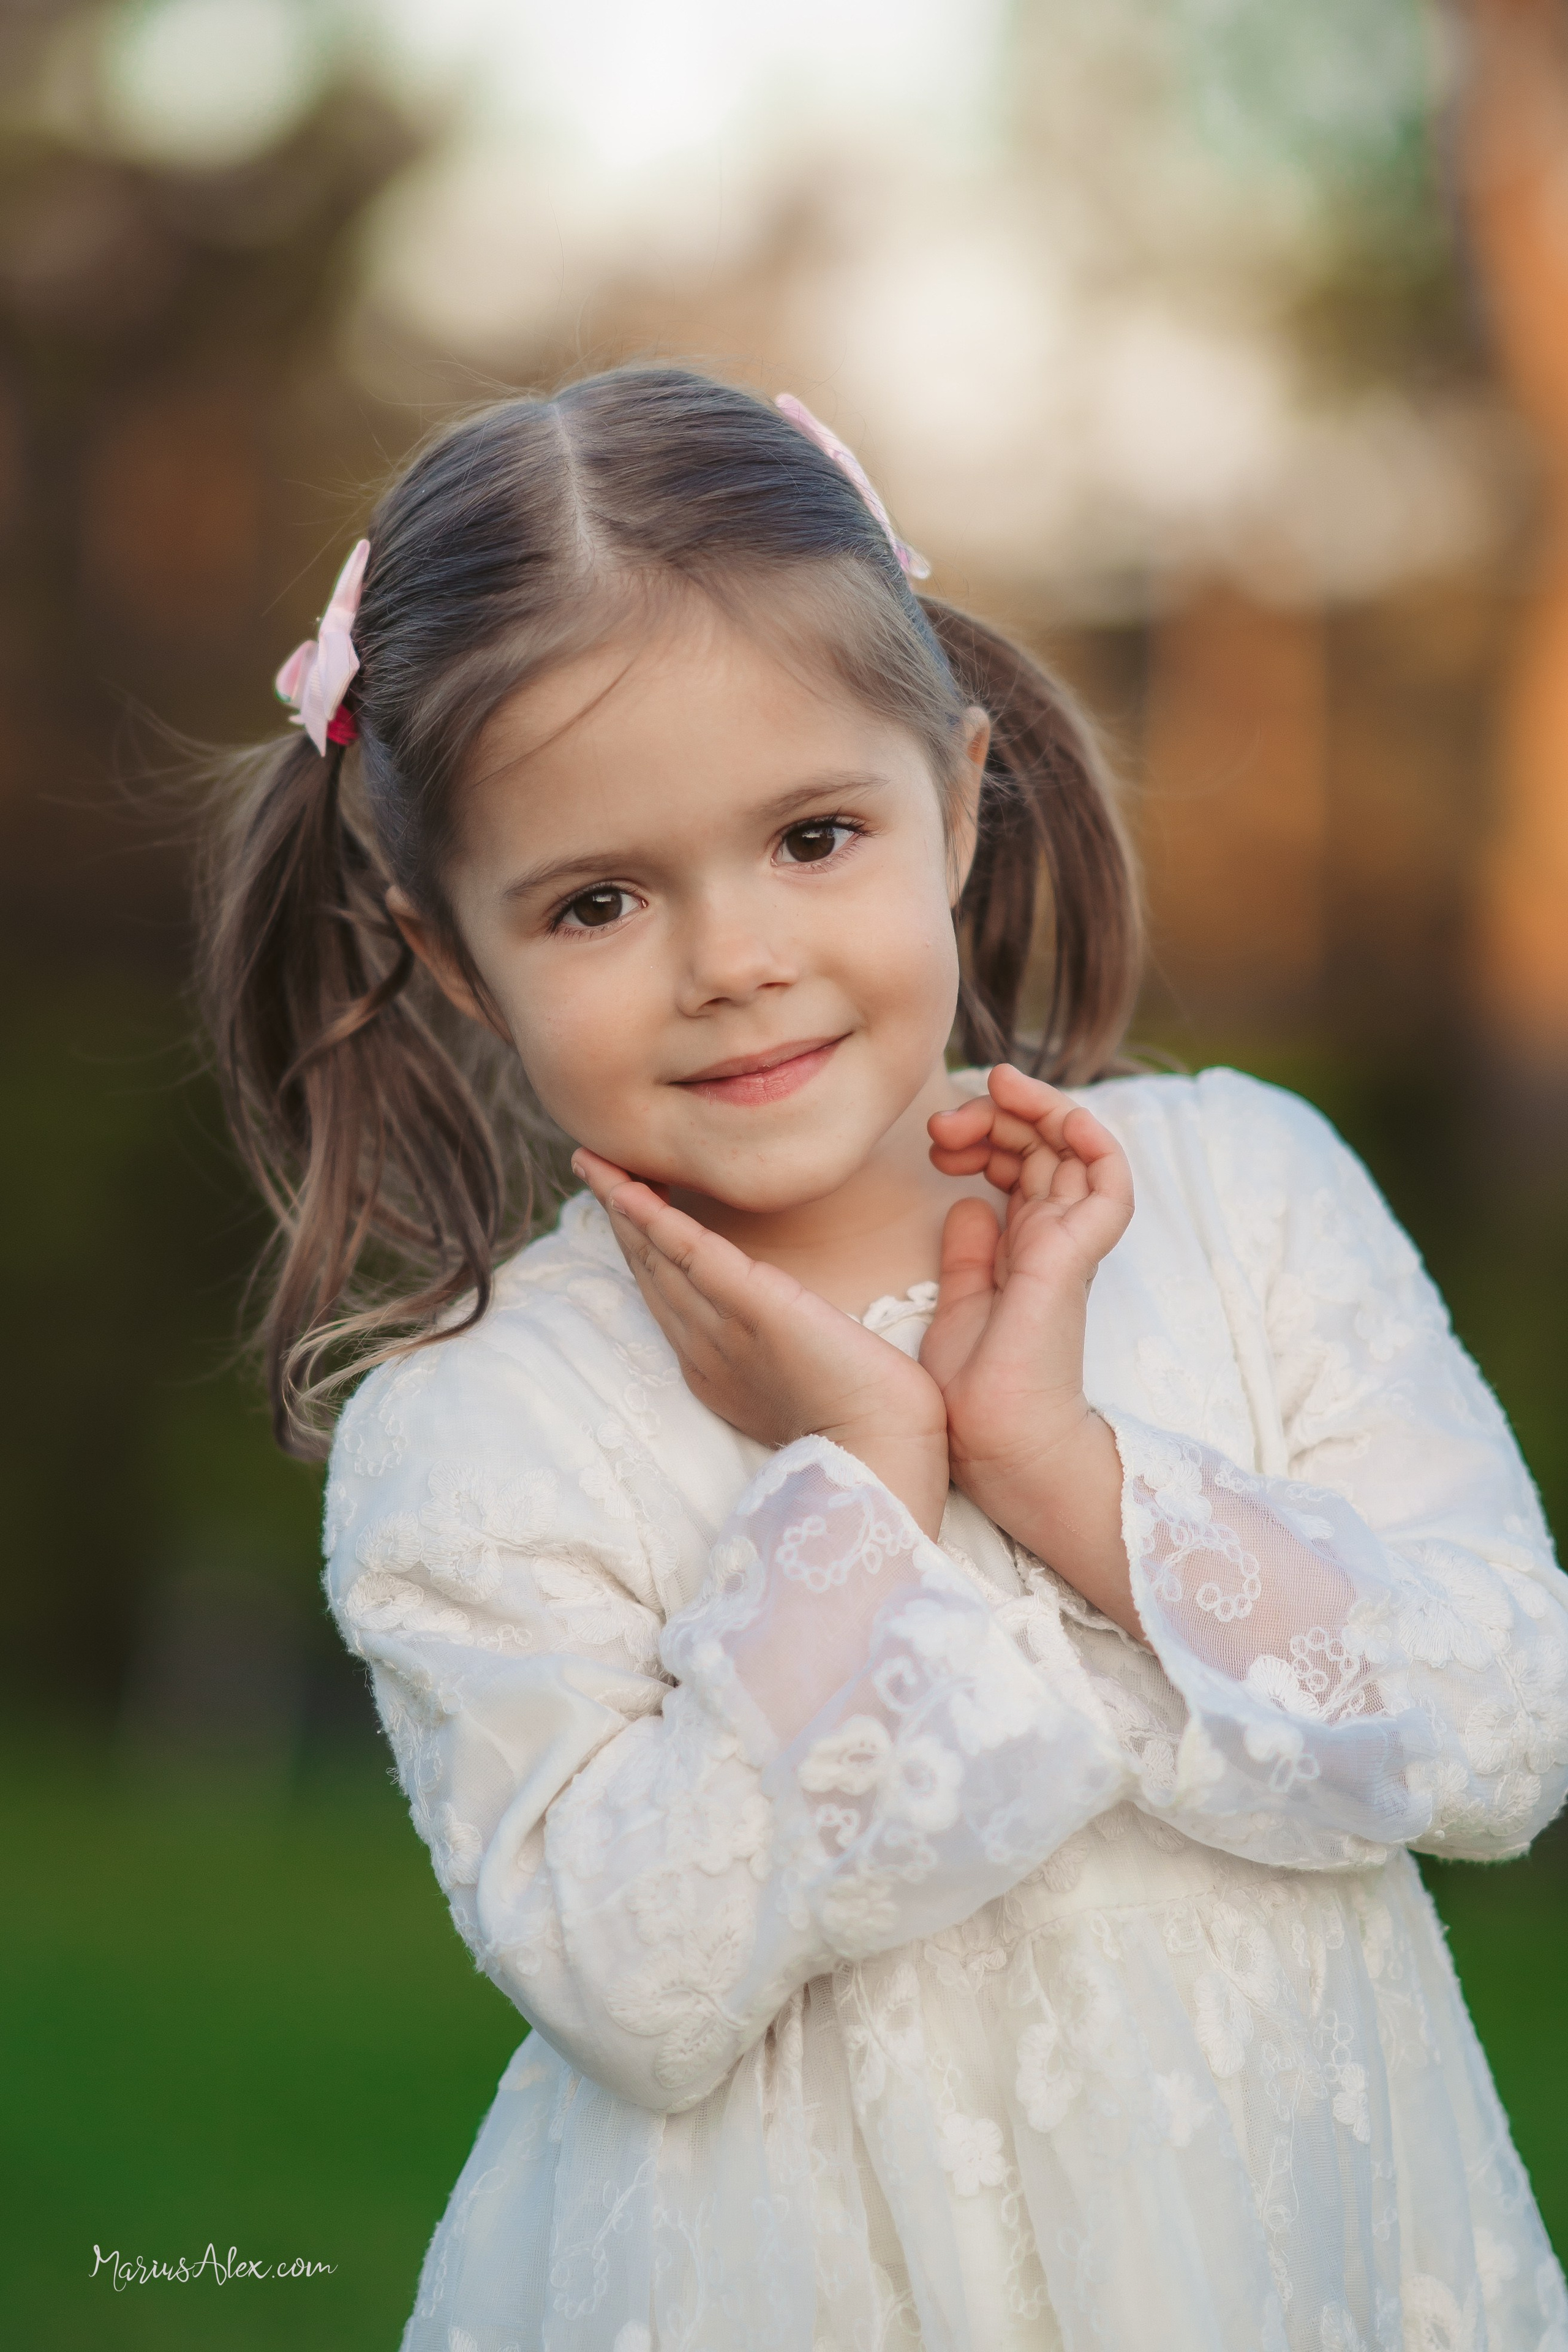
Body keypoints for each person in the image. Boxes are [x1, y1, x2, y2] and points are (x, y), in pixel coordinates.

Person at [202, 365, 1568, 2352]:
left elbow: (1512, 1727)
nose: (732, 954)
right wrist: (850, 1488)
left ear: (958, 796)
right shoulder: (479, 1433)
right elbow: (637, 1983)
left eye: (812, 834)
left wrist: (1060, 1465)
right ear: (444, 949)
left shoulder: (1240, 1195)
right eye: (596, 899)